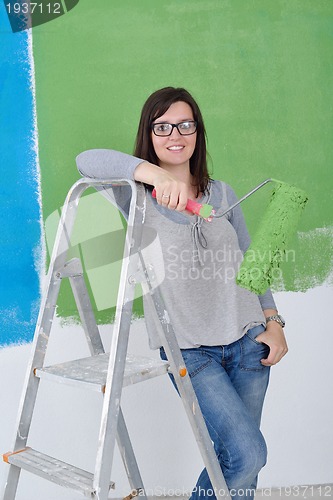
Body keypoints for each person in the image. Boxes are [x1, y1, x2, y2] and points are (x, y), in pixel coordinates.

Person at [76, 87, 288, 500]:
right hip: (190, 351)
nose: (176, 134)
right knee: (247, 455)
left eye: (185, 124)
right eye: (163, 126)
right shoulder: (134, 195)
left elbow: (252, 265)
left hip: (248, 343)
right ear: (149, 134)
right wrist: (152, 175)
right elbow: (86, 161)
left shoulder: (223, 193)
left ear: (198, 131)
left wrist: (274, 322)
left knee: (243, 464)